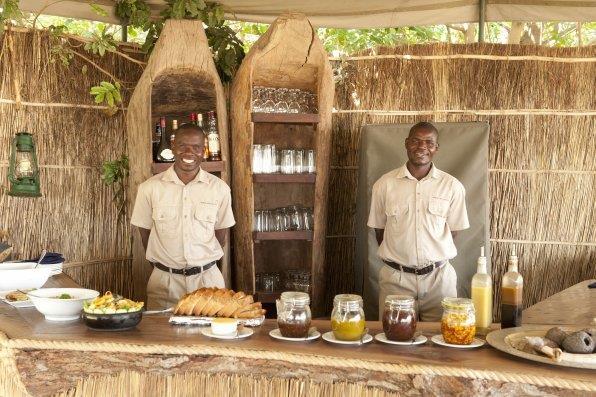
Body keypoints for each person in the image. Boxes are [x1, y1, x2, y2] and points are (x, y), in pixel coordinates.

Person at [367, 122, 469, 321]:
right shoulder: (384, 185)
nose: (422, 147)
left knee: (441, 341)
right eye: (416, 141)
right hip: (396, 280)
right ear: (406, 144)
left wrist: (432, 255)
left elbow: (454, 232)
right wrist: (402, 258)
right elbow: (380, 231)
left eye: (429, 142)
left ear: (436, 148)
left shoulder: (452, 186)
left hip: (439, 281)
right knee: (393, 340)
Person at [131, 123, 235, 310]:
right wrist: (167, 264)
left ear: (203, 151)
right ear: (173, 147)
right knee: (163, 338)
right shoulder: (149, 188)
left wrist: (200, 259)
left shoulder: (220, 189)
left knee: (210, 338)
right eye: (183, 146)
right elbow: (145, 235)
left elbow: (221, 236)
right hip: (164, 284)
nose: (189, 152)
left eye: (196, 147)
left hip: (208, 283)